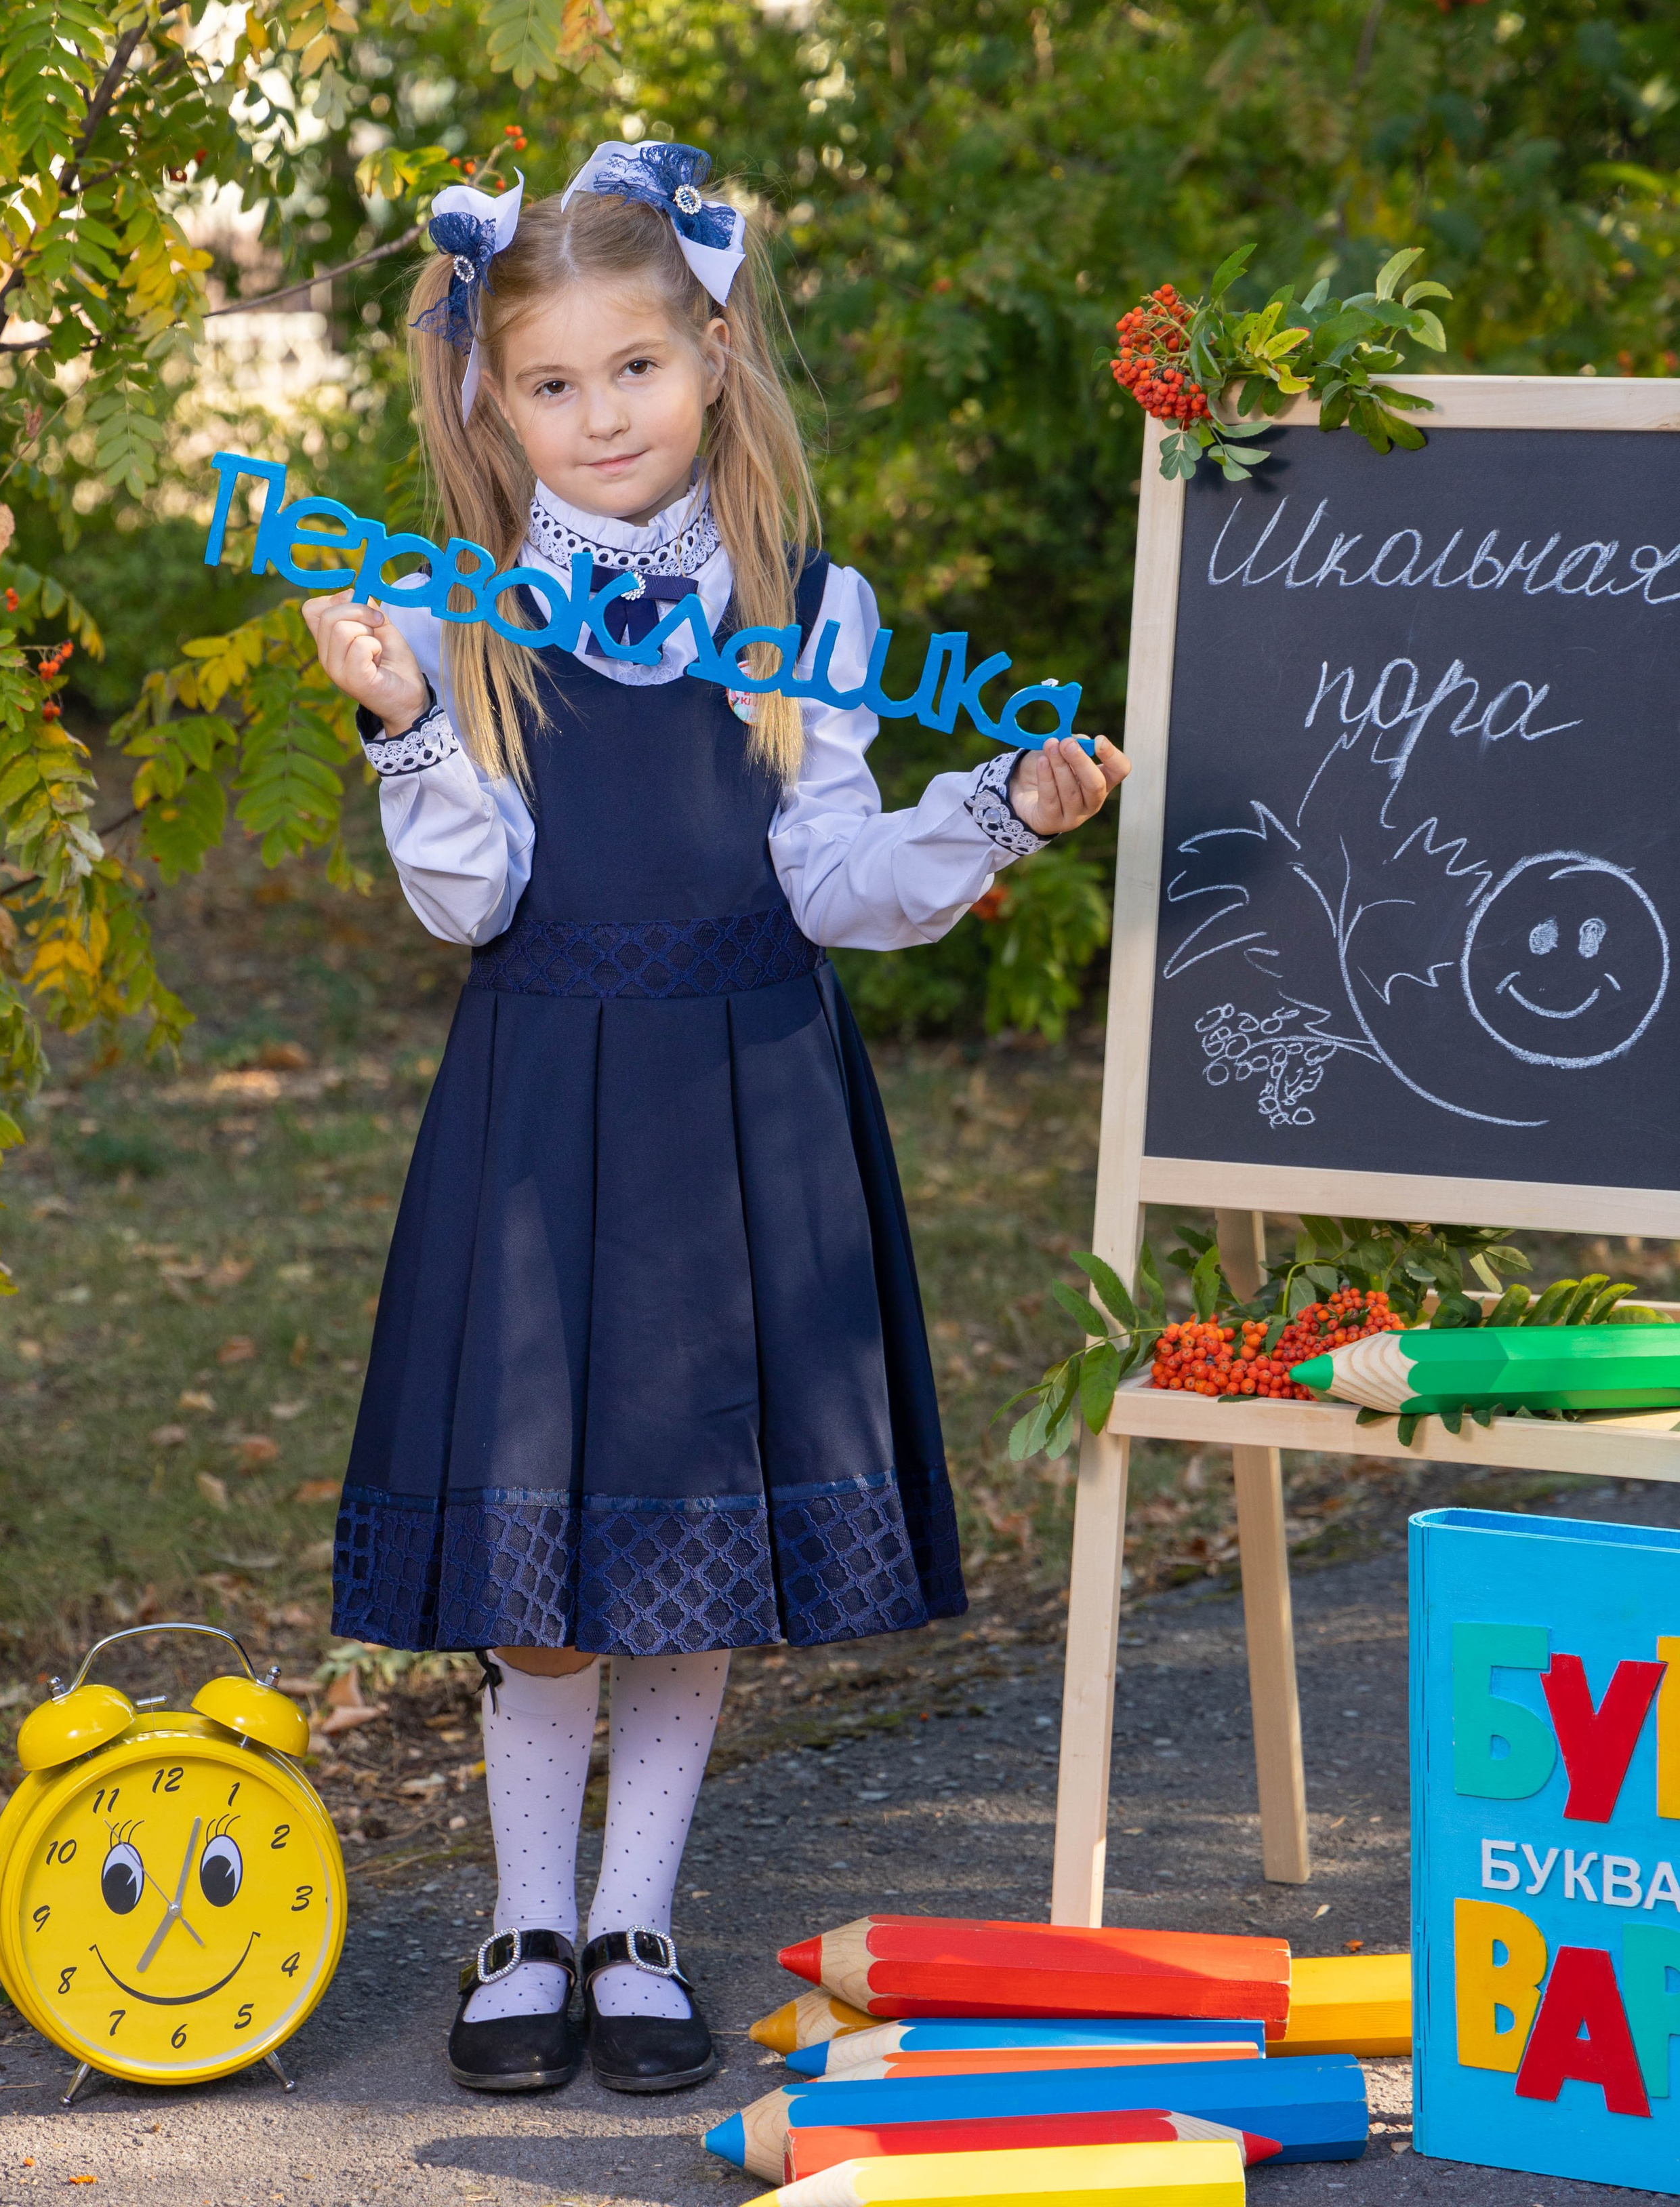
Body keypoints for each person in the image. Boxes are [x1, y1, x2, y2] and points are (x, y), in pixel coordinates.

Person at [303, 141, 1129, 2102]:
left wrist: (993, 811)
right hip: (539, 1115)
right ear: (492, 401)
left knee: (683, 1544)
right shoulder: (464, 612)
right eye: (553, 385)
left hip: (741, 1109)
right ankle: (524, 1923)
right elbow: (468, 901)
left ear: (714, 355)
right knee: (544, 1566)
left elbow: (835, 881)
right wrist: (403, 721)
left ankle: (637, 1921)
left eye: (636, 371)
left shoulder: (807, 604)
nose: (601, 418)